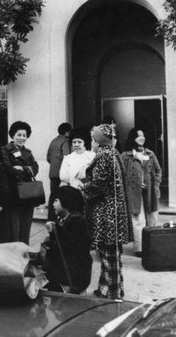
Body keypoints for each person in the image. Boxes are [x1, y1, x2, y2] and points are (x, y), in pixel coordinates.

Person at [82, 124, 133, 300]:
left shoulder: (103, 155)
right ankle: (107, 290)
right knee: (111, 257)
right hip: (114, 214)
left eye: (92, 139)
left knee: (108, 255)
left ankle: (112, 295)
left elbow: (98, 185)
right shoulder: (113, 153)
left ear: (98, 141)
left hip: (107, 215)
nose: (91, 142)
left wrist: (83, 188)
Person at [121, 127, 162, 257]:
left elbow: (158, 171)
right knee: (137, 219)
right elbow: (120, 174)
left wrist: (156, 185)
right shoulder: (126, 155)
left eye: (143, 135)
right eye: (138, 135)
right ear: (133, 138)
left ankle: (154, 245)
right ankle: (139, 248)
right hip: (134, 192)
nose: (141, 138)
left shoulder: (150, 154)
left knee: (153, 217)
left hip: (150, 191)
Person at [43, 186, 92, 294]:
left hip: (72, 275)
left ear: (67, 201)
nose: (52, 204)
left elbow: (71, 248)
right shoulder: (63, 219)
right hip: (65, 273)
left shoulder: (77, 222)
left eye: (56, 201)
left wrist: (55, 231)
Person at [1, 121, 39, 244]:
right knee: (13, 228)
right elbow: (8, 169)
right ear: (12, 135)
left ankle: (25, 254)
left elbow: (35, 169)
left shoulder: (28, 153)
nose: (21, 138)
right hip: (13, 193)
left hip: (28, 193)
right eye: (19, 135)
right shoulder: (4, 150)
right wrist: (26, 170)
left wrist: (21, 168)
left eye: (24, 135)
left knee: (26, 227)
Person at [46, 123, 71, 222]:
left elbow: (48, 157)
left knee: (53, 195)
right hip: (62, 172)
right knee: (66, 194)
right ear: (66, 132)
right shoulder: (65, 141)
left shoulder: (53, 141)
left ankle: (51, 218)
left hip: (52, 172)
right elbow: (67, 156)